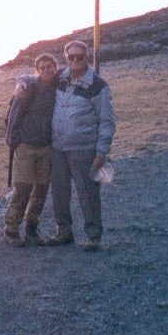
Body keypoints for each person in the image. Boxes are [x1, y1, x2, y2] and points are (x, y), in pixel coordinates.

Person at [47, 39, 116, 252]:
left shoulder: (98, 86)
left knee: (87, 193)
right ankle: (64, 232)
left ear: (87, 58)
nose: (75, 60)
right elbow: (36, 78)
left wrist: (101, 152)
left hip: (84, 148)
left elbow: (107, 121)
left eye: (80, 56)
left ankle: (93, 236)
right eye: (71, 57)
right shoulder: (60, 77)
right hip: (58, 147)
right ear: (66, 58)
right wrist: (21, 82)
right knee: (59, 192)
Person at [3, 53, 59, 247]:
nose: (46, 71)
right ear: (37, 70)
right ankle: (11, 230)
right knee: (23, 188)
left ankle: (32, 229)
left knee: (42, 189)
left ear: (55, 67)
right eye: (42, 68)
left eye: (49, 66)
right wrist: (13, 142)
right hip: (25, 146)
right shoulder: (27, 89)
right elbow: (14, 117)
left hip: (46, 146)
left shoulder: (59, 86)